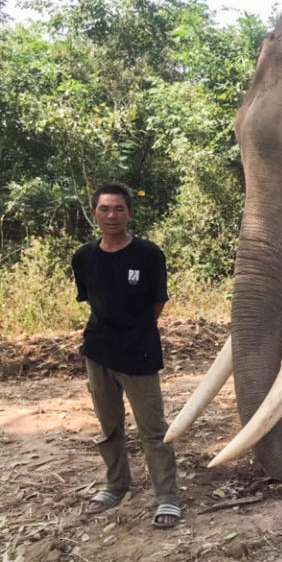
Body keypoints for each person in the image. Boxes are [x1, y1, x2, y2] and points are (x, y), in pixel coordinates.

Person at [71, 184, 181, 529]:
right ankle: (116, 486)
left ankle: (167, 497)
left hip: (140, 351)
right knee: (109, 427)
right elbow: (92, 300)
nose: (112, 216)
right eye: (105, 209)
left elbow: (157, 302)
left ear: (130, 213)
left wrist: (135, 333)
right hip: (98, 351)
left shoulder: (148, 255)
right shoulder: (84, 257)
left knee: (153, 430)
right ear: (94, 214)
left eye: (119, 209)